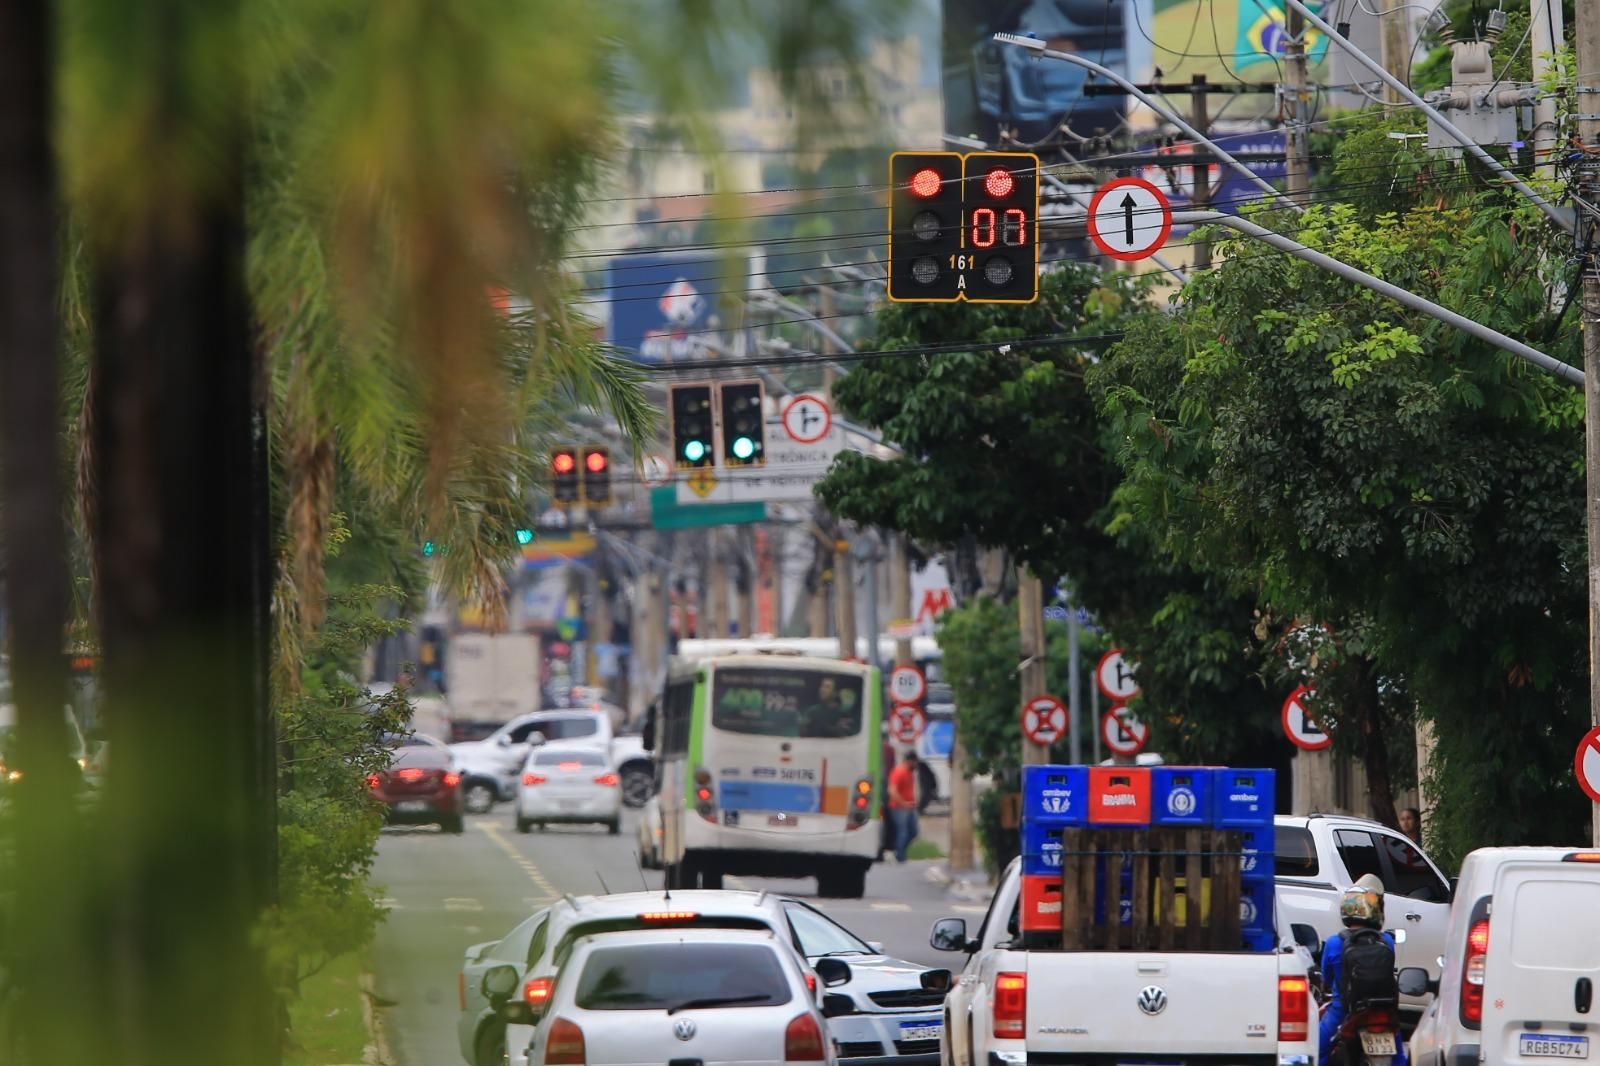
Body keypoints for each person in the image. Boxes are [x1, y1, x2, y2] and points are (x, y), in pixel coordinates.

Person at [1320, 874, 1407, 1066]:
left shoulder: (1335, 942)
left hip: (1343, 1011)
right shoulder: (1387, 941)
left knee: (1317, 1051)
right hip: (1383, 1010)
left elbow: (1326, 977)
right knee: (1399, 1058)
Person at [887, 750, 920, 863]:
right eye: (915, 762)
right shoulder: (899, 772)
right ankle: (900, 855)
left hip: (909, 807)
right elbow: (892, 791)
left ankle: (900, 851)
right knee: (903, 832)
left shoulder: (909, 772)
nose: (916, 765)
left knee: (913, 832)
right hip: (898, 808)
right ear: (910, 761)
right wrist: (903, 803)